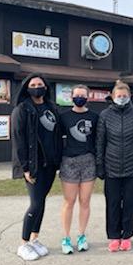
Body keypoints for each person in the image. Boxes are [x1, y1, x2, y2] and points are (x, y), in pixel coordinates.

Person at [12, 73, 62, 261]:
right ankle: (23, 244)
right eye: (33, 84)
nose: (37, 86)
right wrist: (25, 167)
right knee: (35, 203)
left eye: (40, 84)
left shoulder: (52, 108)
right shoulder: (22, 109)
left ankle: (35, 239)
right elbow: (19, 141)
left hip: (50, 165)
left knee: (42, 202)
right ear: (27, 88)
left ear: (46, 87)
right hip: (34, 165)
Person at [96, 80, 133, 252]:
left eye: (124, 96)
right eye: (118, 96)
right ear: (112, 97)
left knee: (129, 203)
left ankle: (127, 236)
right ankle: (113, 236)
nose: (121, 98)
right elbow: (100, 142)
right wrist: (100, 164)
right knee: (112, 203)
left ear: (130, 97)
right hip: (111, 166)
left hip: (132, 166)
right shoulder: (105, 115)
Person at [58, 85, 98, 254]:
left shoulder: (94, 117)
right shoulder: (64, 117)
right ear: (71, 97)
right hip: (69, 162)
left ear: (88, 97)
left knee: (85, 201)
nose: (80, 98)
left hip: (88, 161)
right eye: (77, 95)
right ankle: (66, 237)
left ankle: (81, 235)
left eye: (83, 95)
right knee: (69, 202)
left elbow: (97, 140)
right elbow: (58, 140)